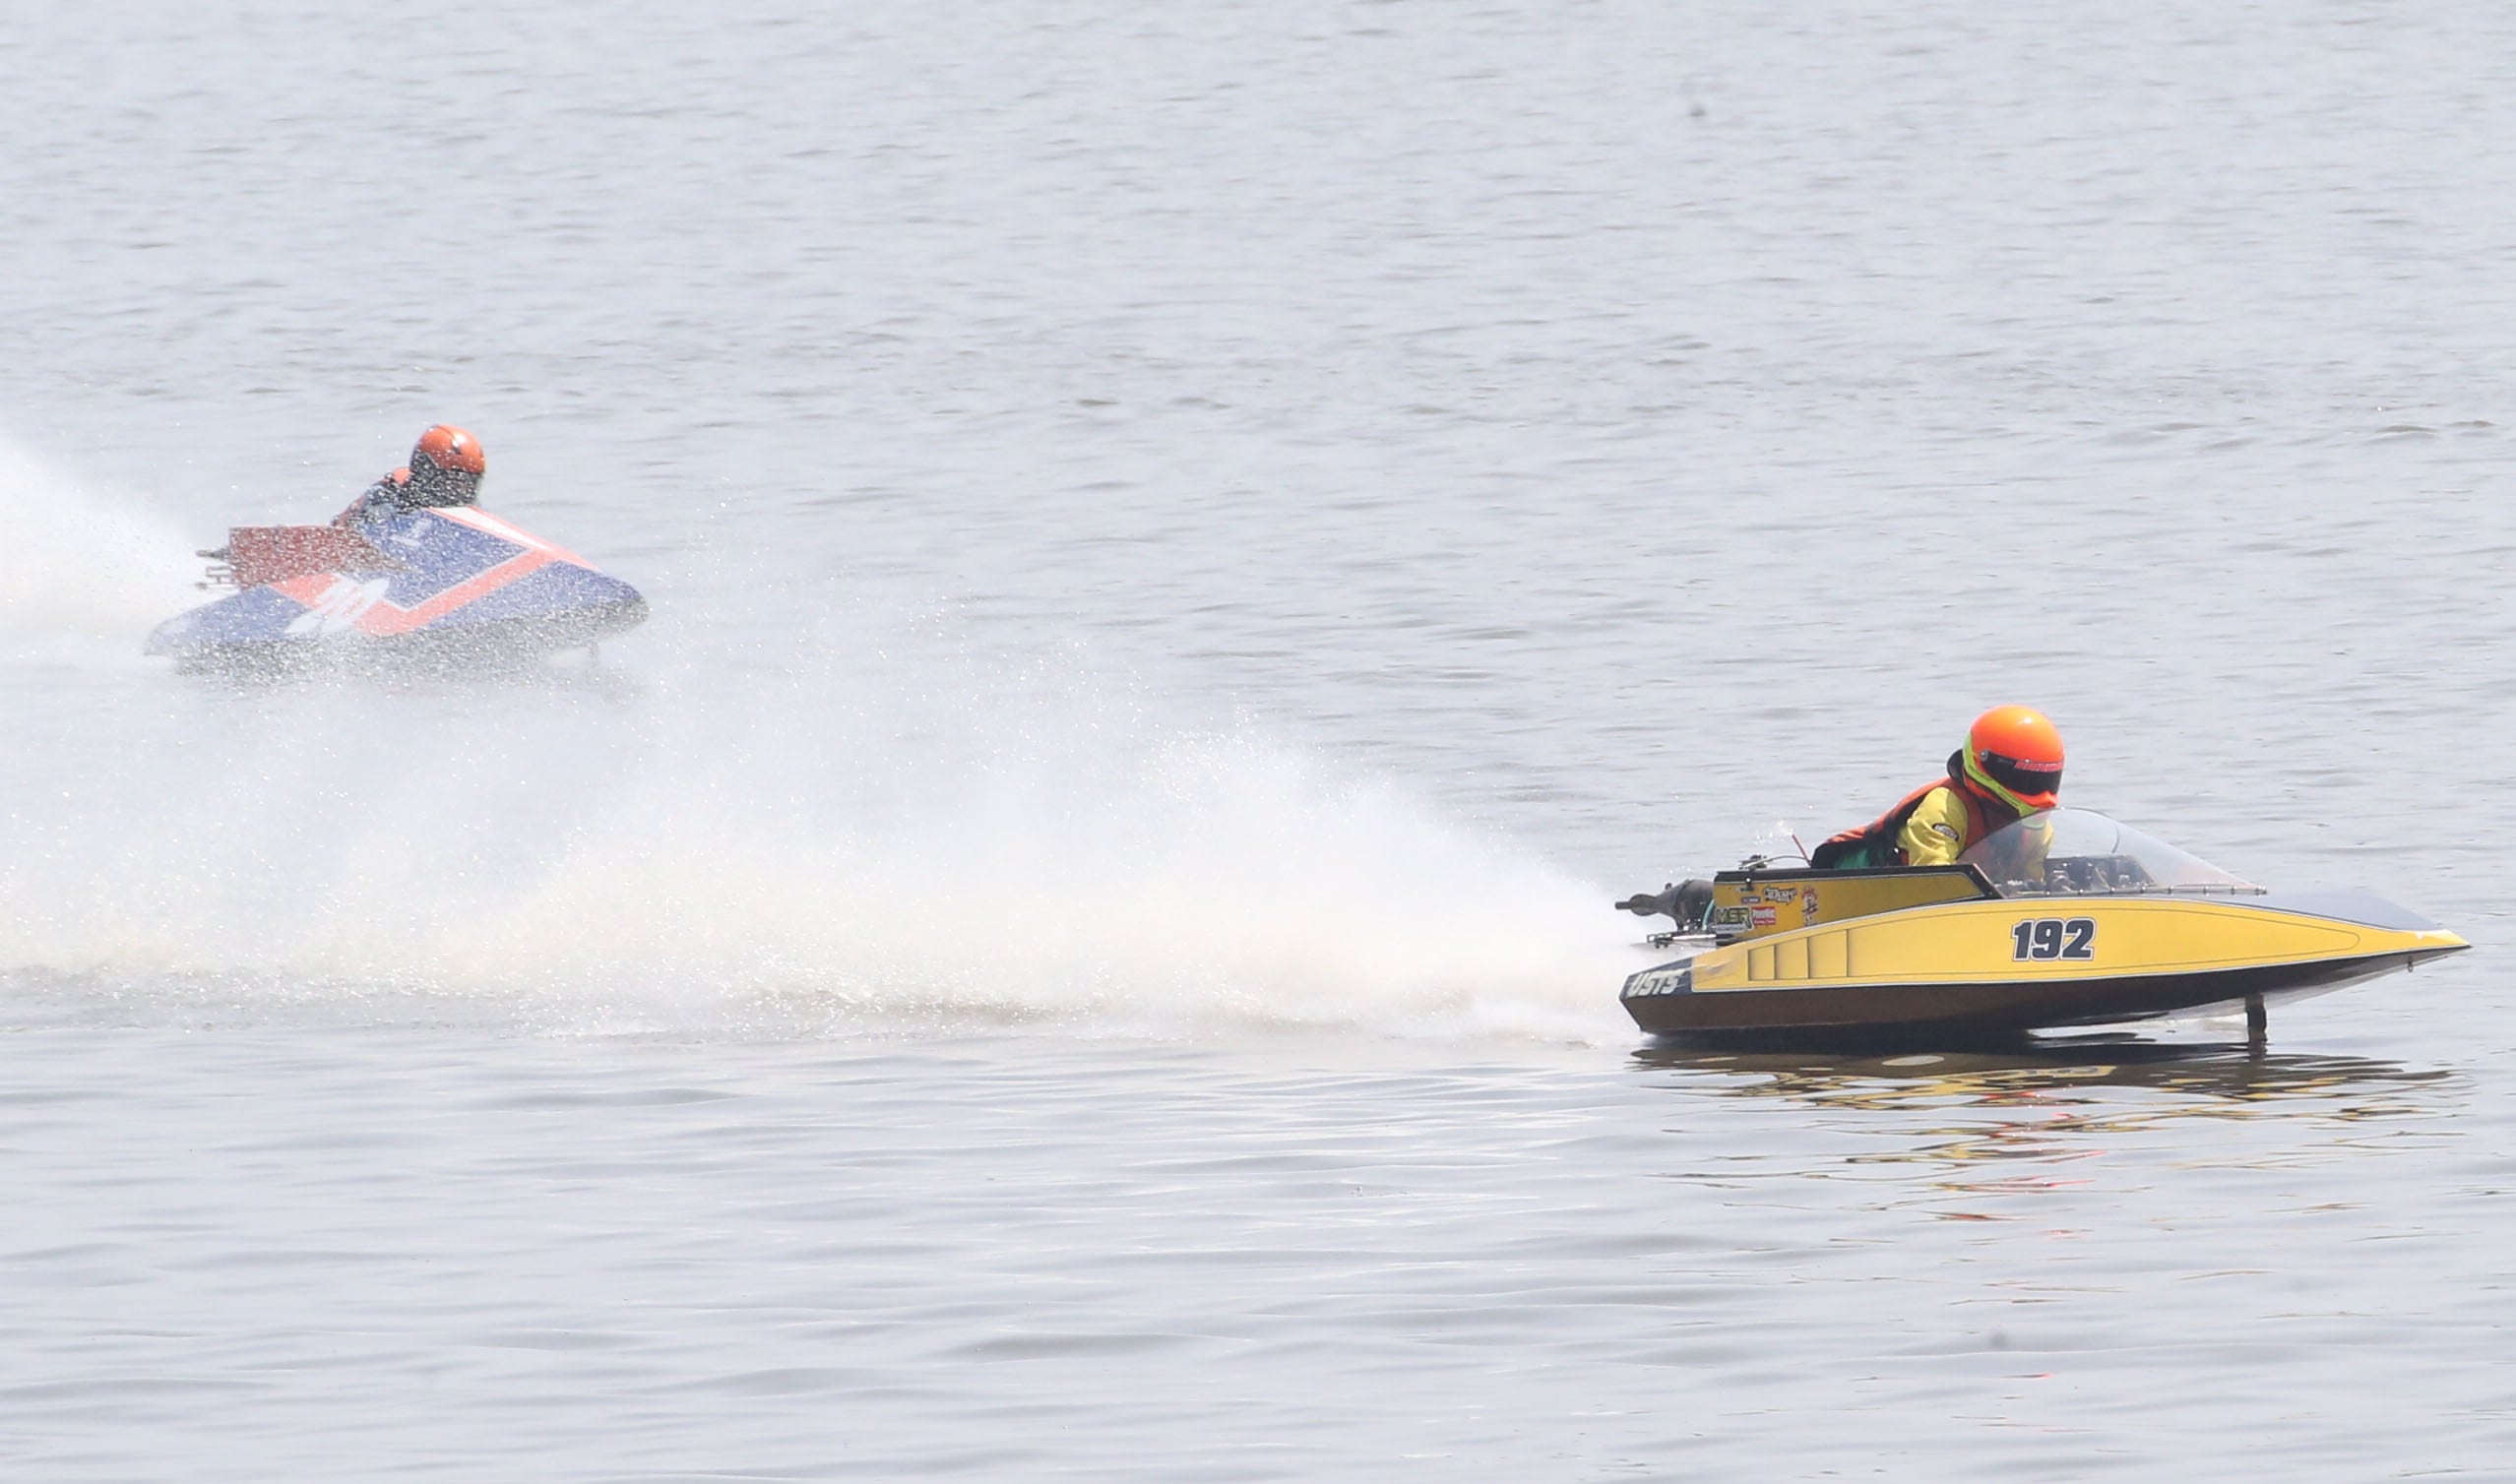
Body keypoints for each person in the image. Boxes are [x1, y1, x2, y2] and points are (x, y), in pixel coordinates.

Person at [1809, 706, 2064, 870]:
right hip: (1856, 887)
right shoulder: (1943, 809)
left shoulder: (2037, 829)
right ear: (1986, 763)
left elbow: (2031, 885)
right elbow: (1937, 883)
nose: (2038, 791)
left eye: (2044, 778)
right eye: (2027, 780)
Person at [334, 424, 486, 526]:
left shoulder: (466, 508)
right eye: (453, 484)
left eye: (469, 485)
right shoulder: (387, 498)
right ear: (426, 473)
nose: (460, 494)